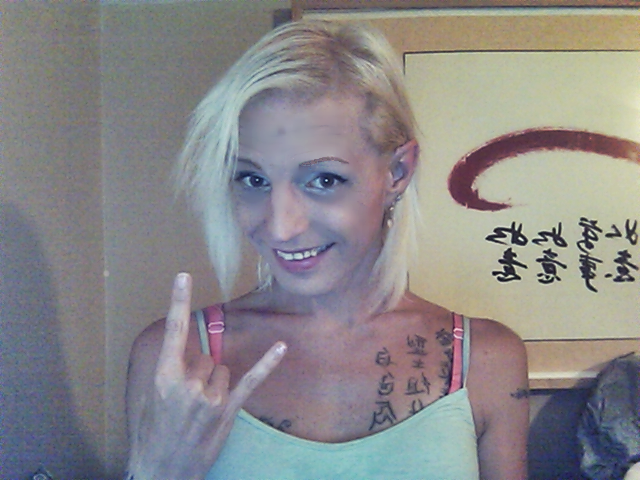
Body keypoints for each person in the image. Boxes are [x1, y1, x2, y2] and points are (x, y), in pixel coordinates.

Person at [125, 20, 529, 479]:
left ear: (397, 172)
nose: (280, 227)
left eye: (323, 179)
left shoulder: (487, 362)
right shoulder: (174, 360)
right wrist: (159, 469)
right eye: (253, 179)